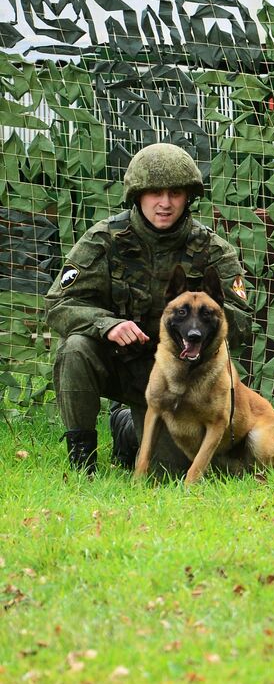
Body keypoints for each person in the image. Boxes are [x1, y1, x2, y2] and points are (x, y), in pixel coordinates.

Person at [46, 142, 253, 474]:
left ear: (189, 197)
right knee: (75, 348)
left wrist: (203, 321)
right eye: (155, 192)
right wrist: (106, 324)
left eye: (175, 193)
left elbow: (243, 322)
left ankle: (127, 428)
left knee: (167, 472)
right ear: (137, 195)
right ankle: (82, 462)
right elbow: (58, 304)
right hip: (118, 363)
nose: (165, 203)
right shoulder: (104, 240)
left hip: (181, 377)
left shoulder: (212, 250)